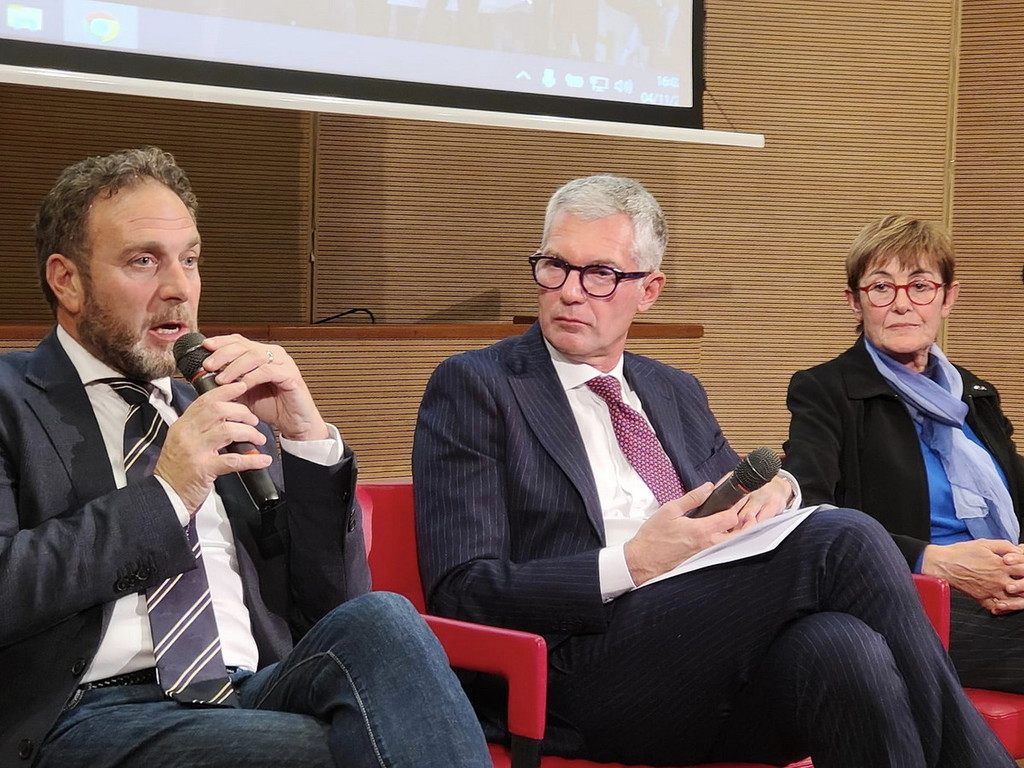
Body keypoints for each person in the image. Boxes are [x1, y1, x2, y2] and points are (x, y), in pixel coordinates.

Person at [412, 175, 1014, 767]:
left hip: (702, 656)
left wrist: (776, 495)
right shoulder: (477, 386)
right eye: (555, 267)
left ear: (649, 290)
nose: (571, 292)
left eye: (600, 274)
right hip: (577, 669)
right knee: (846, 535)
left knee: (845, 648)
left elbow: (739, 506)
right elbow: (462, 589)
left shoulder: (674, 390)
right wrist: (633, 562)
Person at [0, 147, 491, 767]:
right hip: (90, 712)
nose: (179, 289)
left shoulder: (218, 405)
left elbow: (331, 607)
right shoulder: (12, 401)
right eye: (144, 261)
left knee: (384, 619)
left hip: (250, 688)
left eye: (190, 260)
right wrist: (167, 494)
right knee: (360, 748)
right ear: (67, 280)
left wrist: (306, 440)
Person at [783, 214, 1024, 694]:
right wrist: (930, 559)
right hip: (909, 599)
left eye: (920, 286)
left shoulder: (975, 394)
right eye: (880, 287)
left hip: (1007, 587)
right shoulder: (825, 390)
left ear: (947, 298)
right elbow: (807, 513)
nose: (901, 304)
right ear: (854, 302)